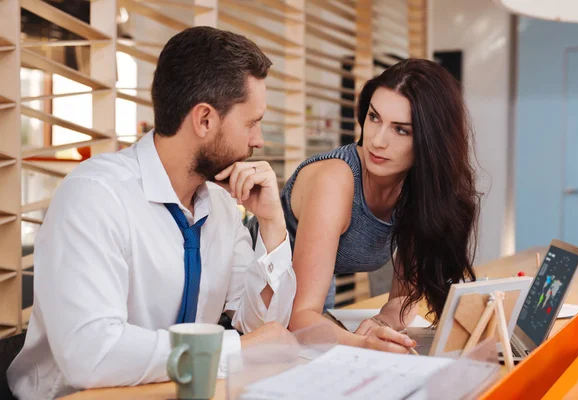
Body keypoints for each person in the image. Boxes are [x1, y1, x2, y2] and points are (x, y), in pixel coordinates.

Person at [8, 26, 296, 399]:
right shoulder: (95, 197)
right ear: (205, 119)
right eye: (252, 123)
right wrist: (233, 349)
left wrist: (272, 225)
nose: (258, 141)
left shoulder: (222, 208)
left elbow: (265, 333)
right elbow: (91, 355)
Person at [272, 58, 480, 353]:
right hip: (249, 306)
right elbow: (299, 317)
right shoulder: (335, 180)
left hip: (310, 312)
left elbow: (404, 299)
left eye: (401, 130)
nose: (378, 141)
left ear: (431, 141)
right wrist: (363, 343)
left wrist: (384, 323)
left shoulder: (417, 191)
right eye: (374, 117)